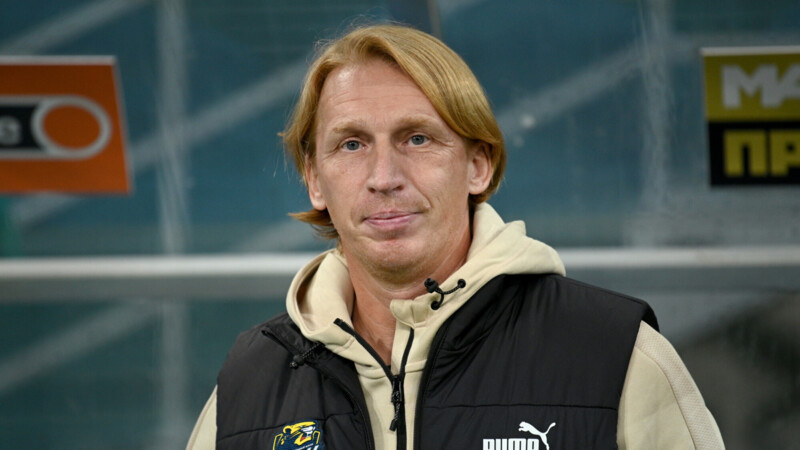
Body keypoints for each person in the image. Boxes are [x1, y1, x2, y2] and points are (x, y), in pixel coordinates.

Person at [187, 24, 724, 450]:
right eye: (351, 144)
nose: (383, 177)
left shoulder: (616, 356)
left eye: (417, 138)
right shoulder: (247, 386)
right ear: (314, 179)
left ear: (477, 165)